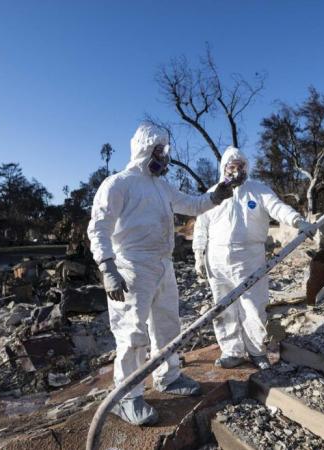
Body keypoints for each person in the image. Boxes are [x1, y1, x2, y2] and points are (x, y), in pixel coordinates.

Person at [87, 122, 234, 426]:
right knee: (132, 333)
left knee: (167, 326)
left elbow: (191, 205)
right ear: (144, 149)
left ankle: (167, 377)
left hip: (162, 265)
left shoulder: (161, 186)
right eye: (160, 151)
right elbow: (98, 227)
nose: (165, 158)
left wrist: (217, 195)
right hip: (131, 266)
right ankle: (126, 397)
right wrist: (107, 267)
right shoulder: (117, 184)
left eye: (166, 152)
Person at [193, 146, 310, 370]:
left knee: (254, 306)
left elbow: (278, 208)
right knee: (223, 307)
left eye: (240, 167)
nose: (236, 171)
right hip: (216, 259)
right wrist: (199, 253)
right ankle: (232, 351)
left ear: (246, 168)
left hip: (249, 257)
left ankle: (257, 351)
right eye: (231, 167)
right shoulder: (214, 193)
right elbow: (201, 226)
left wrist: (297, 221)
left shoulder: (258, 190)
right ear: (224, 168)